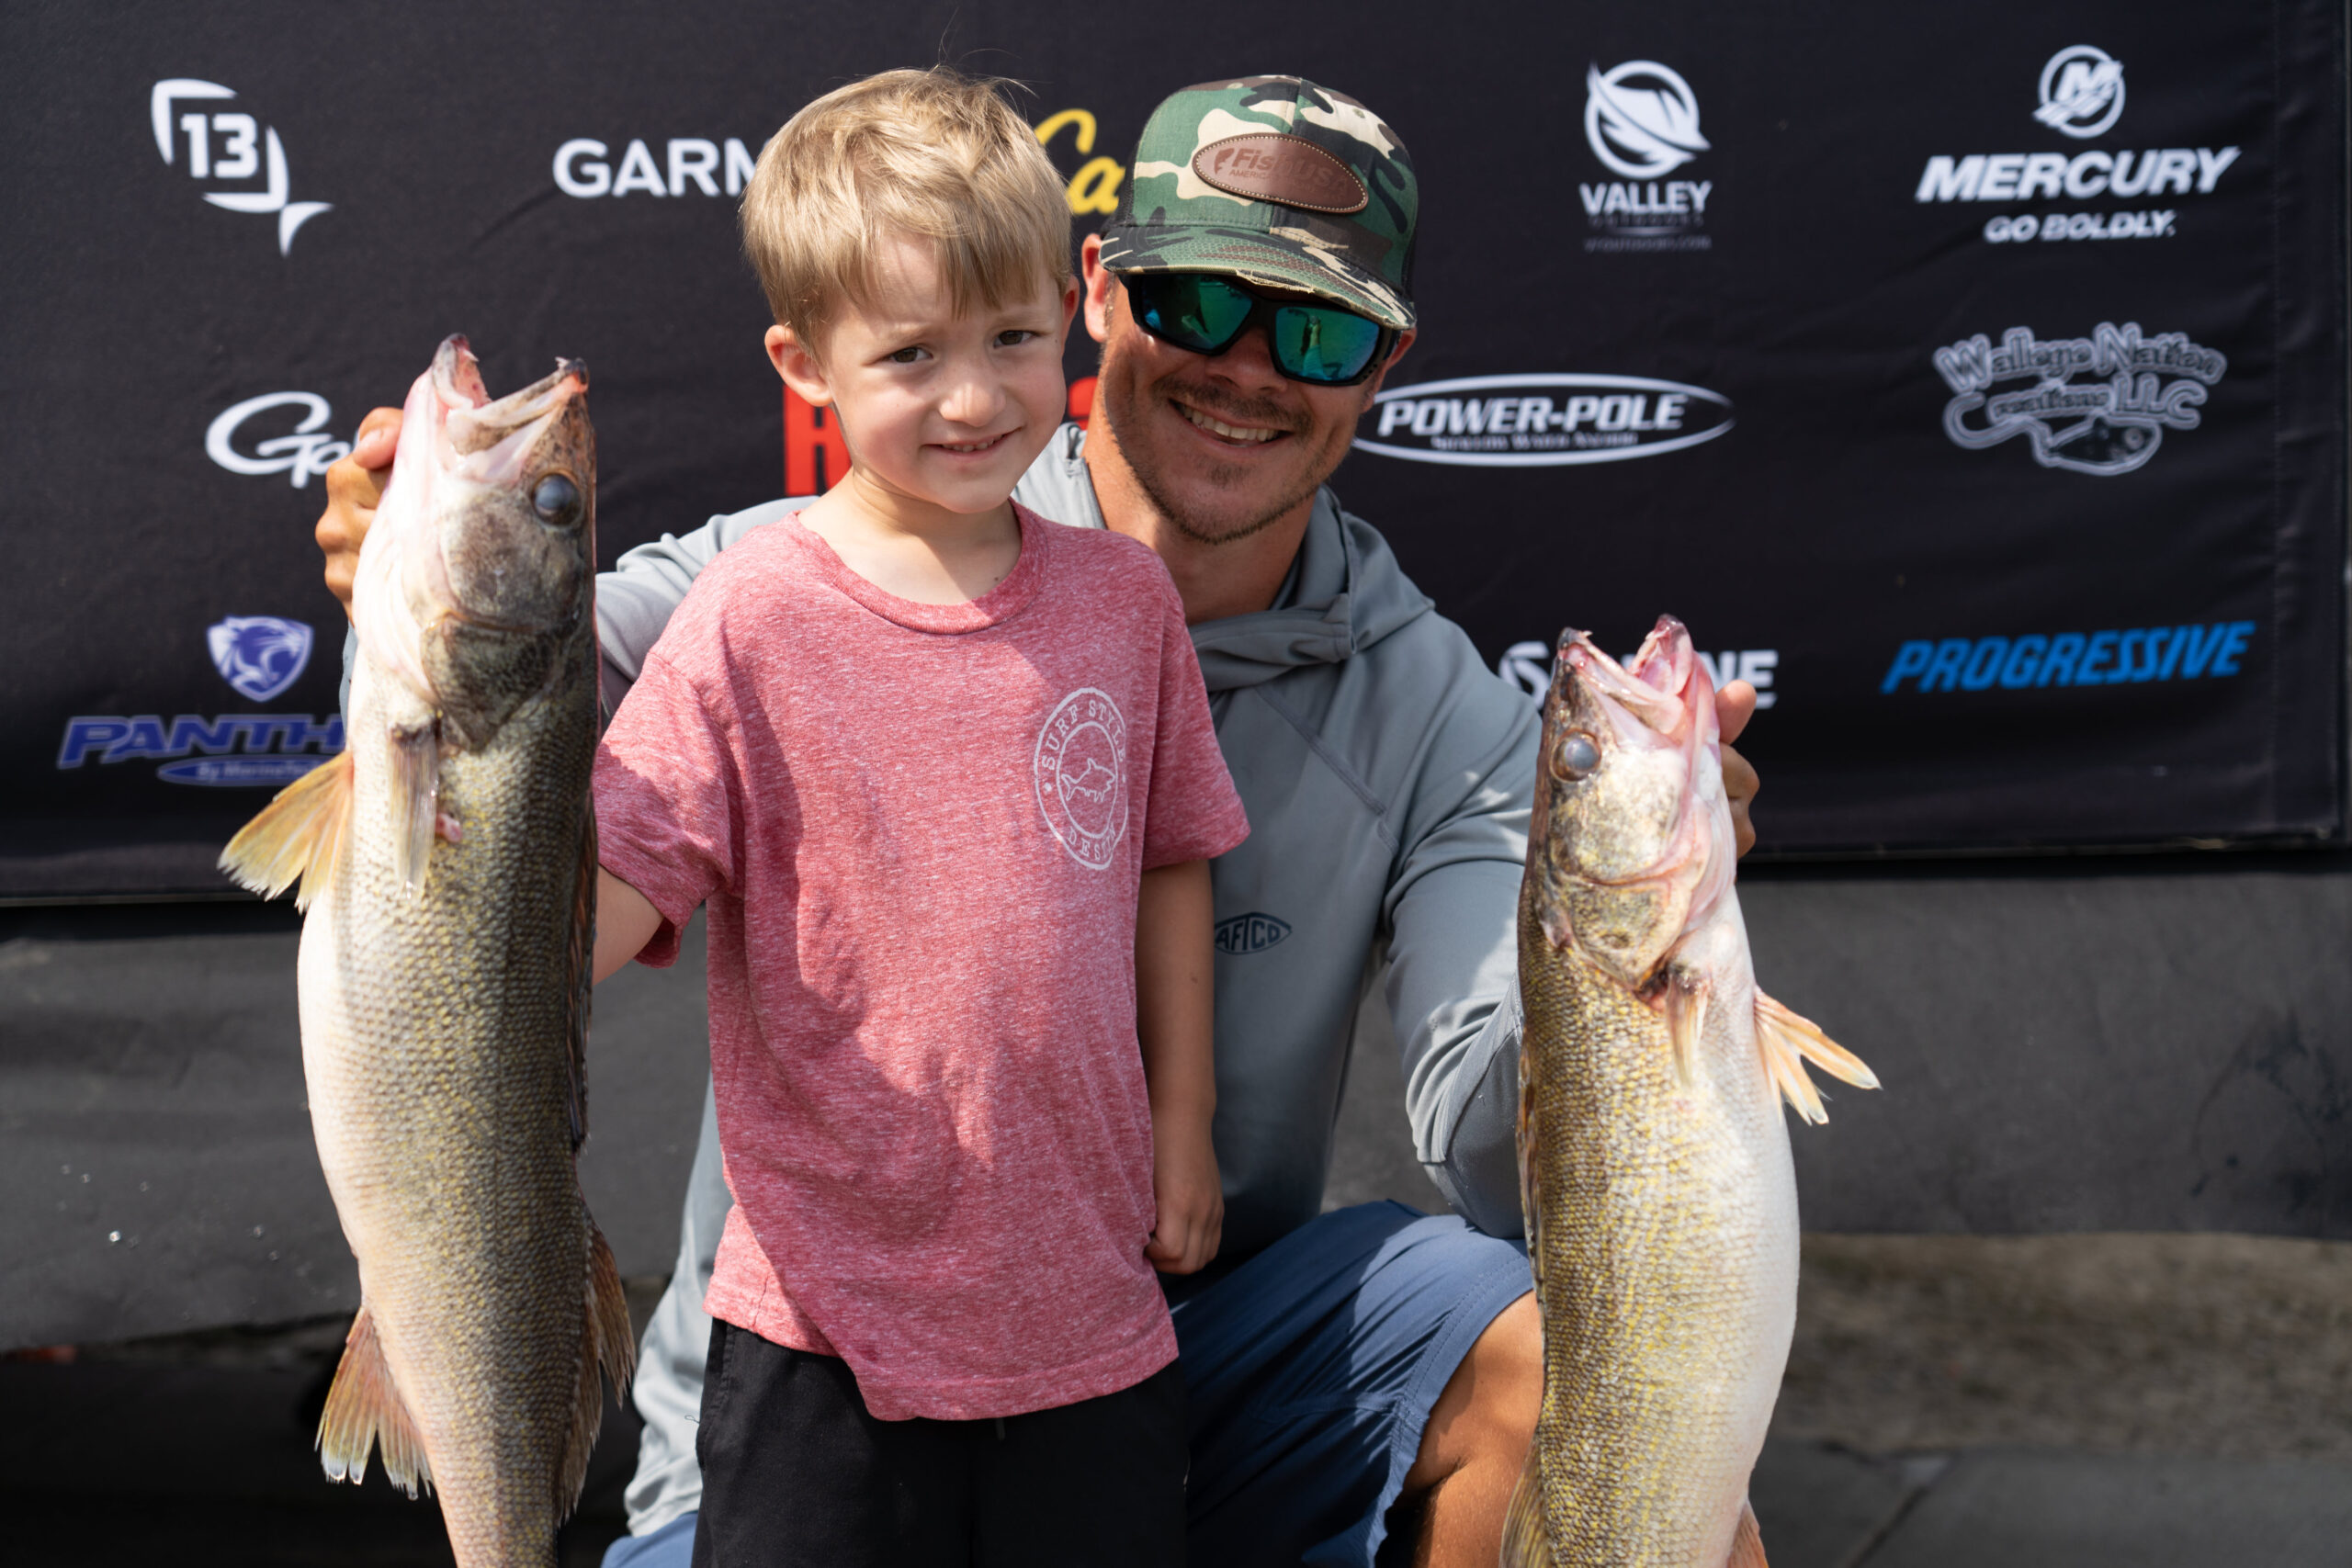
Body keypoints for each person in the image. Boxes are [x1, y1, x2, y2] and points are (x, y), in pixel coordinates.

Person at [316, 74, 1761, 1568]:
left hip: (1149, 1367)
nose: (1248, 368)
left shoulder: (1449, 716)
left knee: (1612, 1406)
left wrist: (1645, 953)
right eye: (1200, 301)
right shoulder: (778, 585)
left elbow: (1489, 1131)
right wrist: (404, 582)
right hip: (822, 1382)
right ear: (1105, 293)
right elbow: (484, 730)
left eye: (1318, 332)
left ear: (1382, 365)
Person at [586, 68, 1249, 1565]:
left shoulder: (1125, 600)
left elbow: (1172, 860)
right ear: (803, 363)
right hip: (818, 1338)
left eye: (1011, 337)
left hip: (1091, 1319)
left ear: (1071, 314)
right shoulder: (749, 614)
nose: (973, 397)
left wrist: (1186, 1127)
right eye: (909, 353)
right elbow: (600, 908)